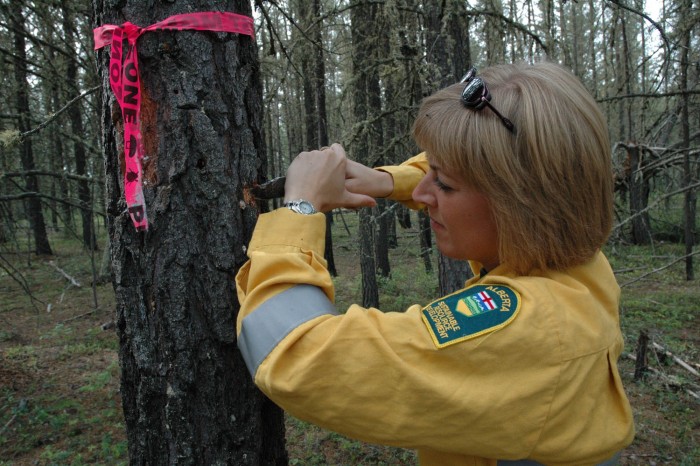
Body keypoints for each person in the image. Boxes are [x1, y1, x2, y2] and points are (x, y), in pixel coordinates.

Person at [235, 62, 635, 465]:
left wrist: (299, 210)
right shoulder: (575, 266)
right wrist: (390, 181)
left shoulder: (529, 330)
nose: (425, 193)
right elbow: (464, 165)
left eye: (443, 183)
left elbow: (294, 356)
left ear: (519, 204)